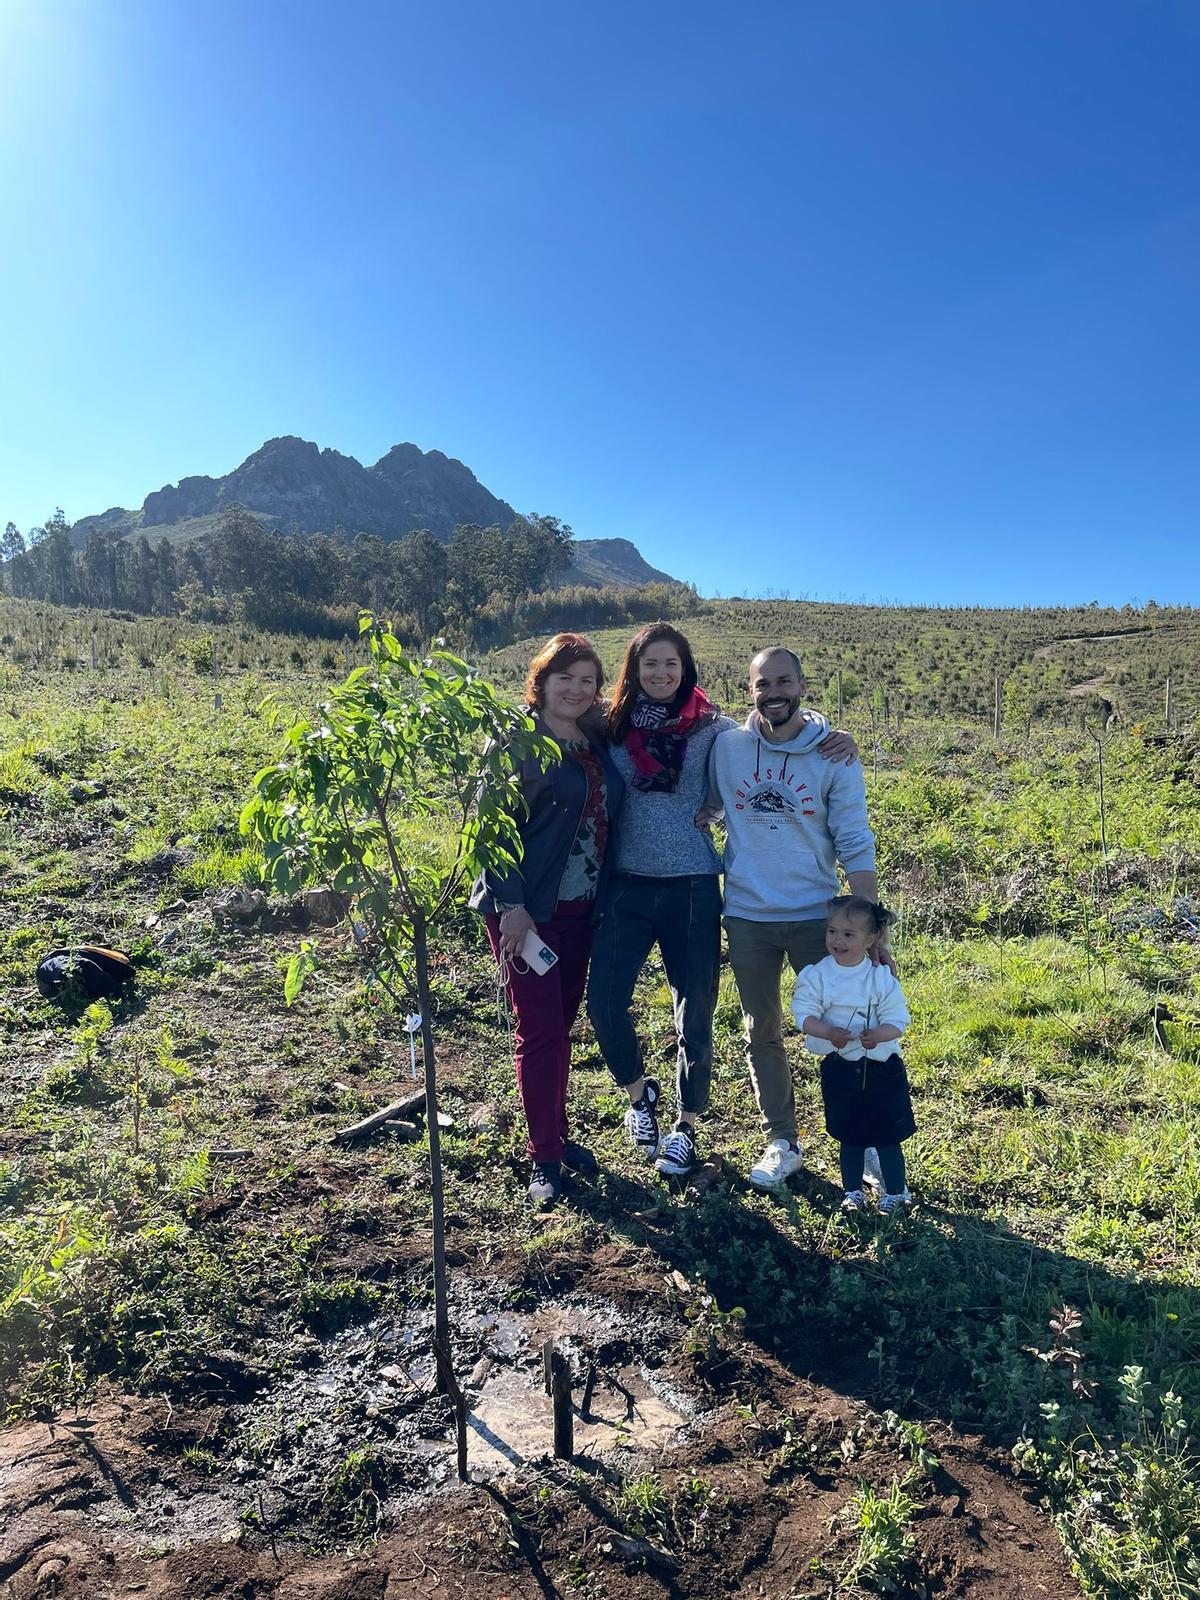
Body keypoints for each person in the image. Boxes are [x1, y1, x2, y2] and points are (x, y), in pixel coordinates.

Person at [587, 625, 853, 1180]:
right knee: (606, 1004)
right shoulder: (607, 726)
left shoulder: (714, 731)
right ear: (633, 671)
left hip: (693, 887)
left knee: (697, 1011)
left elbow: (778, 733)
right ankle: (641, 1097)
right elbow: (553, 714)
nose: (661, 674)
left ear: (687, 670)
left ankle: (685, 1126)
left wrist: (835, 735)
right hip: (627, 885)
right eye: (650, 665)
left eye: (672, 664)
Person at [706, 646, 892, 1189]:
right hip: (747, 916)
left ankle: (864, 1143)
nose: (774, 692)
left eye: (783, 681)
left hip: (819, 920)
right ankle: (782, 1141)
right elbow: (706, 786)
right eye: (763, 684)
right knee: (760, 1030)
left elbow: (855, 837)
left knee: (848, 1028)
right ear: (750, 692)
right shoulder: (727, 747)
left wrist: (870, 925)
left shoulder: (833, 755)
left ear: (803, 686)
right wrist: (705, 813)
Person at [470, 633, 624, 1207]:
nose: (577, 689)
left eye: (588, 680)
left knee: (560, 1026)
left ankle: (554, 1132)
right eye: (566, 678)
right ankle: (545, 1157)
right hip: (526, 911)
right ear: (542, 680)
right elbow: (491, 826)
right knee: (537, 1029)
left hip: (584, 906)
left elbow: (682, 709)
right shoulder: (514, 738)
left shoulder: (594, 735)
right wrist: (511, 907)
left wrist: (813, 723)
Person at [790, 896, 914, 1213]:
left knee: (888, 1136)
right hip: (841, 1069)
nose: (837, 940)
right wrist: (827, 1032)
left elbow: (898, 1019)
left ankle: (896, 1193)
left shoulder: (880, 977)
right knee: (850, 1136)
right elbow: (802, 1014)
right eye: (832, 931)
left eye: (848, 934)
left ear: (870, 939)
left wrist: (879, 1034)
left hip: (882, 1068)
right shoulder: (817, 975)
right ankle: (852, 1192)